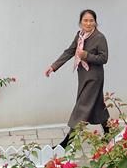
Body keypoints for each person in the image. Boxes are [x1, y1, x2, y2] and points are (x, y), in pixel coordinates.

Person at [44, 9, 109, 149]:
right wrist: (53, 66)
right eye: (85, 20)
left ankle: (66, 143)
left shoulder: (99, 37)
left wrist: (85, 55)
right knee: (97, 105)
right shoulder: (80, 36)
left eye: (91, 20)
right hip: (83, 76)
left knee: (82, 107)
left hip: (94, 77)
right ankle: (109, 132)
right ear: (80, 22)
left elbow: (104, 58)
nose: (88, 23)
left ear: (95, 22)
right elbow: (69, 51)